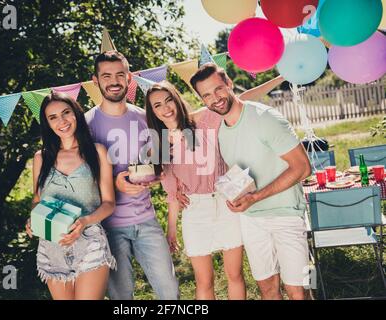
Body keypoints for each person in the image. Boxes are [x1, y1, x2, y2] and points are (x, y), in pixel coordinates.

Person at [144, 77, 284, 300]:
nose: (165, 108)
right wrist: (171, 231)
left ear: (177, 100)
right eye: (157, 105)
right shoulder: (160, 145)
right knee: (204, 281)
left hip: (226, 202)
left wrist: (281, 77)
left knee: (235, 274)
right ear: (152, 112)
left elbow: (242, 100)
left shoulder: (202, 120)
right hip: (195, 211)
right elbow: (172, 194)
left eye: (168, 100)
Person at [190, 63, 312, 300]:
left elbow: (302, 167)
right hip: (251, 220)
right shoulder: (221, 131)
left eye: (218, 89)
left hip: (287, 215)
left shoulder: (264, 118)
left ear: (229, 84)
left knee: (298, 291)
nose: (214, 98)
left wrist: (255, 197)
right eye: (206, 95)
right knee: (267, 289)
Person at [85, 51, 179, 300]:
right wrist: (115, 185)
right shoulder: (85, 125)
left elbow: (163, 160)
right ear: (95, 80)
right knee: (121, 296)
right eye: (106, 75)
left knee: (170, 293)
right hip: (108, 227)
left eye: (119, 74)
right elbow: (80, 179)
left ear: (129, 78)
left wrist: (161, 175)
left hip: (147, 220)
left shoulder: (146, 117)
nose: (114, 81)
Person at [25, 92, 116, 300]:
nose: (62, 121)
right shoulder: (41, 157)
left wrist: (85, 221)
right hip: (51, 245)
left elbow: (109, 203)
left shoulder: (97, 151)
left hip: (90, 240)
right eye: (53, 117)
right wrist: (33, 218)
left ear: (76, 113)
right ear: (47, 124)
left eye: (66, 113)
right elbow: (37, 200)